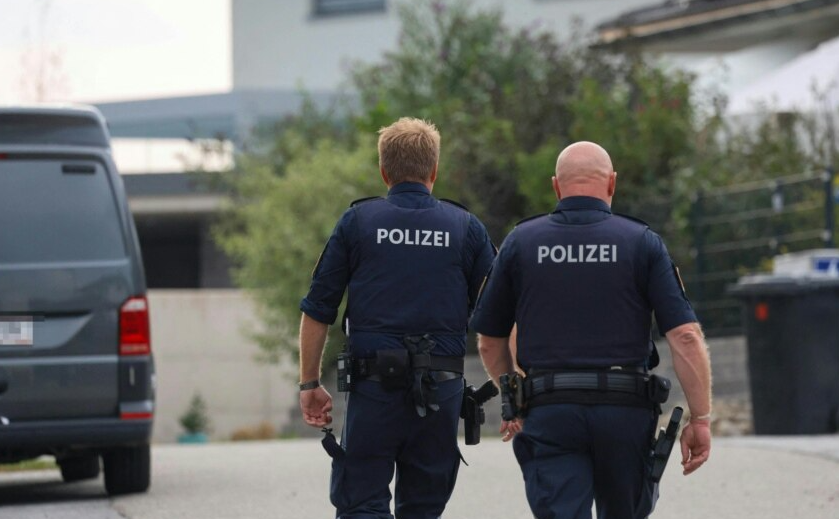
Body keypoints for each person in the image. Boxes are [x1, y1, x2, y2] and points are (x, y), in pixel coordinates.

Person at [471, 141, 712, 519]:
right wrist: (700, 419)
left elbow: (489, 341)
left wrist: (512, 398)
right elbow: (685, 337)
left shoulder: (521, 242)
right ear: (612, 183)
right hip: (626, 414)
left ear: (556, 186)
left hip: (550, 413)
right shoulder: (642, 242)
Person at [298, 117, 496, 519]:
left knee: (362, 505)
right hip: (441, 393)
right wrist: (512, 386)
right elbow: (499, 316)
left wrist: (310, 383)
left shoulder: (357, 222)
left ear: (383, 171)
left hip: (374, 392)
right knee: (423, 509)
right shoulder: (467, 228)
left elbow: (318, 310)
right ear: (434, 171)